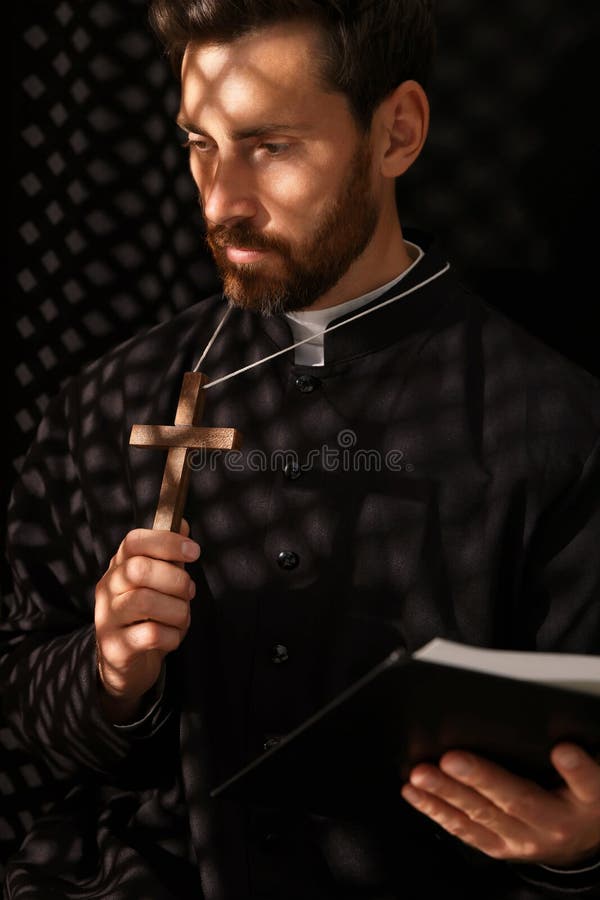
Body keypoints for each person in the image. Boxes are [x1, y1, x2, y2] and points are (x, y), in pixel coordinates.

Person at [2, 1, 600, 897]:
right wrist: (109, 676)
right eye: (200, 144)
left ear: (397, 132)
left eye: (271, 146)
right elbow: (22, 708)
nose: (220, 203)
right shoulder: (110, 400)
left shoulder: (555, 428)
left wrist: (577, 849)